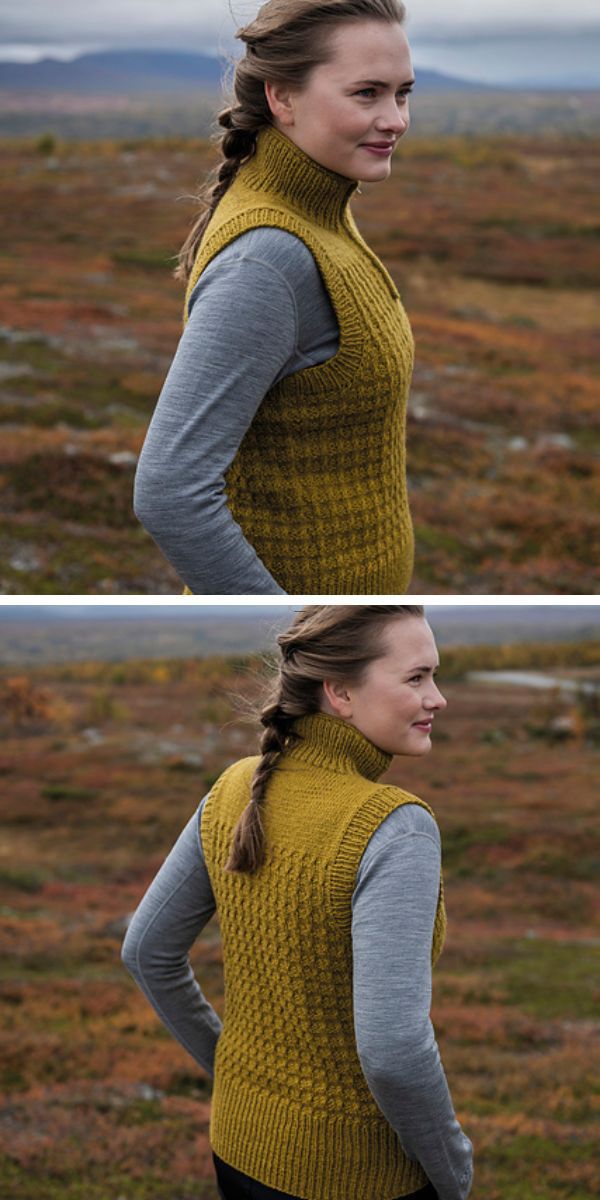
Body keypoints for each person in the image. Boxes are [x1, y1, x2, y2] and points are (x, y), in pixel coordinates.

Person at [121, 604, 474, 1200]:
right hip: (357, 1179)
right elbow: (391, 1049)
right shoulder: (394, 828)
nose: (437, 698)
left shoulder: (234, 785)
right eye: (416, 678)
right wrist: (453, 1172)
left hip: (239, 1148)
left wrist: (235, 1076)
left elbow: (146, 950)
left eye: (434, 676)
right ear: (340, 692)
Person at [133, 0, 419, 595]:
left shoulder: (320, 212)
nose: (395, 118)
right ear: (282, 98)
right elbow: (169, 491)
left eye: (402, 93)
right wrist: (280, 621)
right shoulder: (269, 257)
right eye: (366, 93)